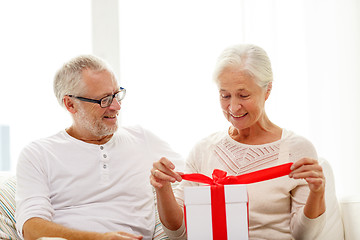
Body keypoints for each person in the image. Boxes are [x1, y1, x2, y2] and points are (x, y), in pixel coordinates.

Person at [150, 44, 326, 239]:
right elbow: (179, 234)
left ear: (267, 90)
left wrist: (317, 193)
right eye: (225, 95)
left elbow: (304, 236)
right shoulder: (203, 150)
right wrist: (163, 189)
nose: (233, 107)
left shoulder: (296, 149)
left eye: (243, 95)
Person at [15, 55, 183, 240]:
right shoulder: (38, 154)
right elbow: (31, 228)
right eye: (104, 100)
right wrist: (99, 238)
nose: (116, 106)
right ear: (70, 104)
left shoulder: (143, 139)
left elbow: (197, 181)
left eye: (117, 95)